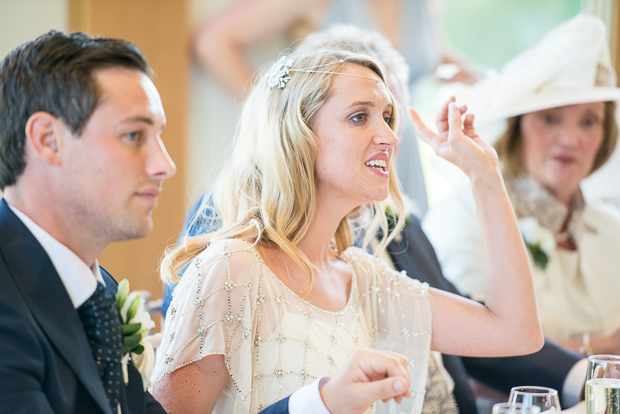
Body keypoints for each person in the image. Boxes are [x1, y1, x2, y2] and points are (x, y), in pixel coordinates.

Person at [170, 25, 584, 413]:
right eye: (359, 116)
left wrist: (485, 175)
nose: (389, 136)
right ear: (297, 135)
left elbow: (516, 332)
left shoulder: (363, 280)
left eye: (388, 117)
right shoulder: (231, 268)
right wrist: (319, 404)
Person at [0, 30, 411, 414]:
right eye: (133, 136)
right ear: (48, 140)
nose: (166, 165)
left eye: (159, 135)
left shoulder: (98, 289)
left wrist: (318, 402)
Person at [423, 15, 620, 357]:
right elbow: (466, 362)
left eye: (589, 121)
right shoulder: (462, 217)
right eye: (549, 118)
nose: (570, 140)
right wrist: (601, 350)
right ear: (516, 129)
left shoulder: (613, 229)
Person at [192, 0, 476, 215]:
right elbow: (212, 42)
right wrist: (279, 114)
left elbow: (431, 55)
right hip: (342, 148)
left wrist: (493, 87)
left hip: (402, 151)